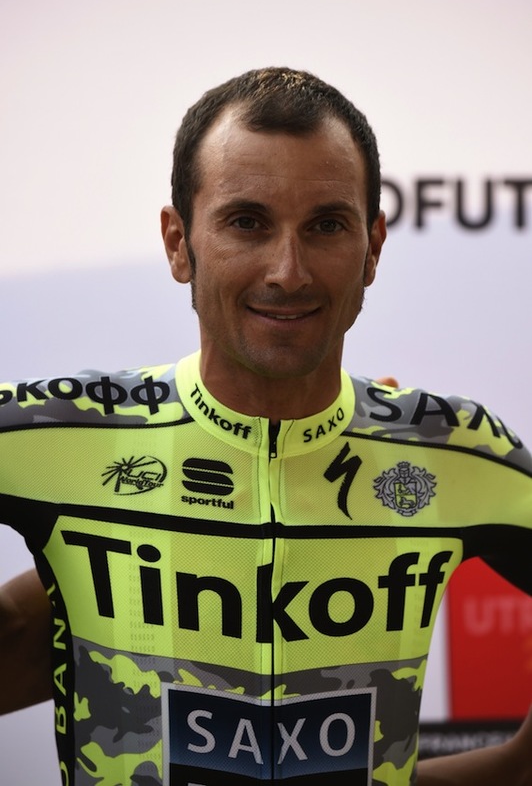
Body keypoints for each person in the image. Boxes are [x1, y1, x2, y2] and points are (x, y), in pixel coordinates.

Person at [0, 67, 531, 786]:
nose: (288, 270)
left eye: (326, 226)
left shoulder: (453, 450)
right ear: (177, 241)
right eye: (247, 222)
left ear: (373, 246)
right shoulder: (55, 431)